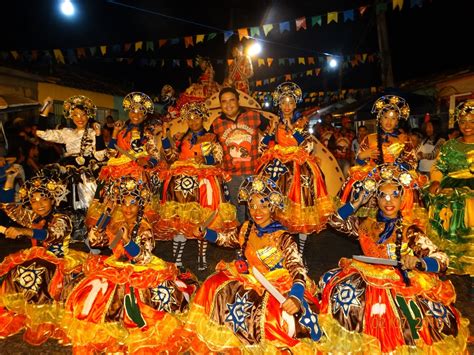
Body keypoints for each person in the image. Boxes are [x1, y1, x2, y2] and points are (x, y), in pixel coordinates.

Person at [318, 164, 469, 354]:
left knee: (406, 323)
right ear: (376, 199)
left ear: (402, 198)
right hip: (365, 282)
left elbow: (442, 259)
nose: (389, 201)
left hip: (401, 286)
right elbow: (334, 221)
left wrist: (418, 262)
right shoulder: (366, 224)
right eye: (383, 195)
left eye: (395, 195)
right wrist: (355, 204)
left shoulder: (409, 230)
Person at [185, 176, 323, 353]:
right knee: (213, 284)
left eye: (263, 206)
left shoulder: (282, 237)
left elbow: (298, 268)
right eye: (252, 206)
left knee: (271, 318)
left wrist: (295, 296)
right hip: (249, 277)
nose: (257, 211)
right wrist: (205, 233)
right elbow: (226, 239)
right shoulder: (246, 228)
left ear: (272, 207)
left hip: (276, 283)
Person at [63, 176, 198, 354]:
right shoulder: (117, 222)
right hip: (117, 265)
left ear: (140, 205)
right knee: (94, 289)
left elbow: (144, 257)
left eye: (133, 203)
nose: (127, 208)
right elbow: (101, 243)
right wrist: (103, 221)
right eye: (124, 203)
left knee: (134, 298)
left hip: (141, 269)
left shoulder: (144, 228)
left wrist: (127, 241)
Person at [0, 166, 86, 345]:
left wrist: (23, 231)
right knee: (13, 272)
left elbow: (50, 234)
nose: (38, 204)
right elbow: (10, 207)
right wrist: (10, 180)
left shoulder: (62, 218)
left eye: (43, 199)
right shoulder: (33, 216)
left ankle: (42, 318)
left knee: (39, 272)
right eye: (33, 200)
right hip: (36, 259)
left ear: (53, 199)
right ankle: (22, 312)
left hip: (58, 261)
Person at [257, 82, 334, 256]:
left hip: (299, 167)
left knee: (301, 209)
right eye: (283, 102)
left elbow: (308, 146)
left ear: (295, 104)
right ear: (278, 104)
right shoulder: (274, 124)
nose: (287, 106)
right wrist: (268, 138)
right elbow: (263, 147)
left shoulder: (301, 123)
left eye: (290, 102)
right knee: (274, 208)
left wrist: (293, 130)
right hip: (277, 166)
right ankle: (277, 249)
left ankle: (299, 252)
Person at [158, 102, 237, 270]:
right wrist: (166, 138)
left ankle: (202, 256)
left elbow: (218, 157)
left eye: (197, 117)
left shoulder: (212, 137)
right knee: (180, 221)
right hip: (181, 186)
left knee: (203, 220)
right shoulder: (181, 139)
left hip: (204, 184)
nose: (193, 121)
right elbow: (172, 158)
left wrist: (205, 159)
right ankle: (177, 258)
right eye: (190, 118)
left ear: (203, 118)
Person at [340, 95, 422, 219]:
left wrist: (397, 166)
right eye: (385, 117)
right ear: (379, 118)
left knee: (411, 191)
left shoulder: (404, 139)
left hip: (397, 176)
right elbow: (359, 162)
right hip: (373, 174)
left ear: (398, 121)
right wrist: (362, 155)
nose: (389, 122)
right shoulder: (370, 138)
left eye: (393, 118)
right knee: (356, 186)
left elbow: (413, 162)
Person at [427, 99, 474, 275]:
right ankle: (447, 258)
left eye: (472, 121)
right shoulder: (449, 145)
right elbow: (439, 166)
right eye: (463, 121)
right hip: (451, 185)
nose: (467, 125)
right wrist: (436, 181)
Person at [212, 87, 269, 224]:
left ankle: (256, 238)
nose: (228, 104)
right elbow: (208, 144)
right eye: (224, 101)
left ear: (238, 100)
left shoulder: (253, 116)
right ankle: (241, 239)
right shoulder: (216, 123)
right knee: (238, 209)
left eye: (232, 100)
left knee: (255, 208)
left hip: (254, 172)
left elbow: (271, 130)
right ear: (220, 104)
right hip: (232, 176)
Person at [99, 92, 159, 182]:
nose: (136, 116)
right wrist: (115, 131)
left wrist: (149, 163)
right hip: (120, 169)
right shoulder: (121, 132)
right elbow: (110, 154)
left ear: (145, 116)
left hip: (140, 172)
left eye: (140, 113)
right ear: (129, 113)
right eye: (133, 112)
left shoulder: (147, 134)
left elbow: (156, 156)